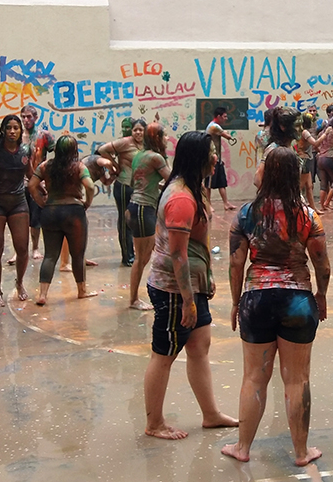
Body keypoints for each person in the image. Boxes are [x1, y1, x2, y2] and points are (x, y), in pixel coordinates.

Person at [221, 146, 330, 466]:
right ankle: (301, 452)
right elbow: (322, 264)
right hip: (297, 302)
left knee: (254, 378)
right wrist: (321, 295)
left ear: (268, 173)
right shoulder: (308, 215)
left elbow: (235, 264)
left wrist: (235, 302)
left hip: (257, 300)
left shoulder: (246, 214)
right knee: (297, 379)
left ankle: (242, 447)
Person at [143, 131, 237, 440]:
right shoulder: (181, 198)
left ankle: (210, 414)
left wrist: (203, 282)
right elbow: (178, 254)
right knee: (164, 354)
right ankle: (154, 423)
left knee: (199, 346)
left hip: (192, 287)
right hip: (174, 290)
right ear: (197, 159)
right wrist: (187, 300)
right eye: (211, 153)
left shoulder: (193, 189)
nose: (216, 158)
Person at [29, 134, 97, 306]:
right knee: (78, 255)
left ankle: (42, 294)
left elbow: (31, 185)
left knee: (50, 255)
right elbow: (90, 186)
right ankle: (82, 291)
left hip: (50, 212)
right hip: (73, 213)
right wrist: (87, 202)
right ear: (74, 150)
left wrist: (40, 201)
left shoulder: (45, 166)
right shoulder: (79, 167)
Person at [0, 115, 31, 305]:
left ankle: (19, 283)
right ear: (3, 130)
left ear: (20, 131)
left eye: (16, 128)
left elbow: (31, 174)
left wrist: (43, 187)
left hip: (18, 202)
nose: (12, 131)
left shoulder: (26, 150)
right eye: (9, 128)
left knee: (22, 248)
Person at [127, 123, 171, 311]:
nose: (167, 139)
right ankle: (134, 300)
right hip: (143, 209)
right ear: (157, 138)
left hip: (137, 206)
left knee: (143, 257)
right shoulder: (156, 157)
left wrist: (155, 186)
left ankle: (135, 297)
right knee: (141, 258)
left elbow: (135, 182)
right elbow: (172, 179)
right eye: (164, 136)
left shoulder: (140, 155)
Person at [98, 118, 146, 266]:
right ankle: (127, 256)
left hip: (138, 187)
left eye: (140, 130)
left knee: (137, 220)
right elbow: (102, 150)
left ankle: (135, 252)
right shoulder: (125, 142)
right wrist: (115, 166)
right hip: (124, 186)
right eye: (135, 130)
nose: (138, 133)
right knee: (125, 221)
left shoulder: (146, 144)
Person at [18, 105, 55, 262]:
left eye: (29, 117)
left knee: (36, 218)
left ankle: (35, 248)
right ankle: (20, 250)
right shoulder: (17, 135)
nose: (26, 120)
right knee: (19, 217)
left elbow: (57, 154)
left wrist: (49, 175)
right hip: (19, 182)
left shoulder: (44, 136)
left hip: (37, 181)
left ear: (36, 117)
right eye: (23, 117)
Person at [297, 112, 333, 214]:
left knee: (309, 186)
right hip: (304, 160)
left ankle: (313, 208)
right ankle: (297, 208)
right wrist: (325, 133)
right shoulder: (305, 132)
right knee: (300, 187)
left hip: (306, 159)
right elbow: (315, 143)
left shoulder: (301, 131)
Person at [205, 107, 238, 211]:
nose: (226, 118)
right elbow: (228, 137)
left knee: (221, 182)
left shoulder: (216, 126)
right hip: (211, 158)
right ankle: (208, 204)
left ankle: (226, 203)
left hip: (218, 158)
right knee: (208, 184)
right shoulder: (214, 126)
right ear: (218, 116)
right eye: (224, 116)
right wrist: (227, 134)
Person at [316, 116, 333, 211]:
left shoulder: (321, 134)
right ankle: (327, 202)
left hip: (320, 159)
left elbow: (315, 145)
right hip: (329, 158)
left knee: (323, 184)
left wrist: (320, 151)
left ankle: (322, 206)